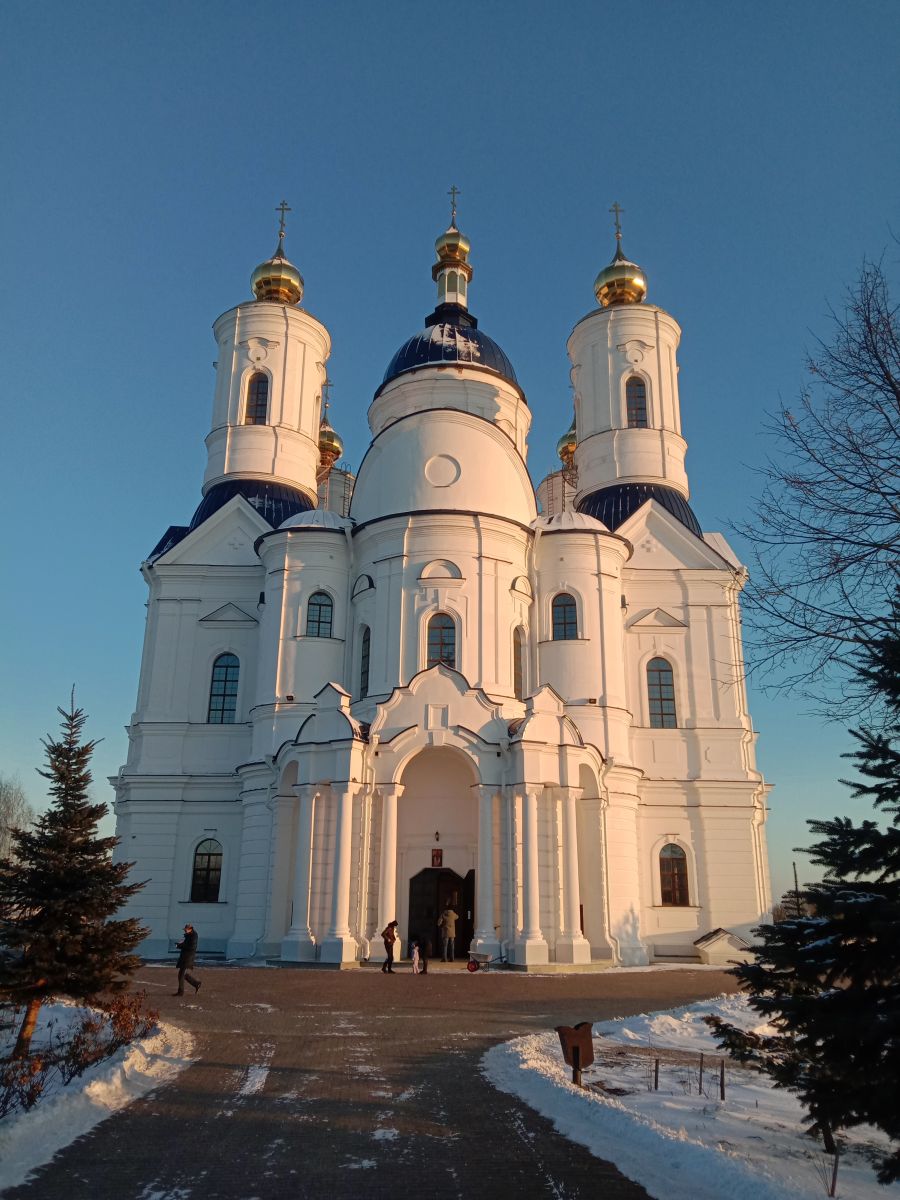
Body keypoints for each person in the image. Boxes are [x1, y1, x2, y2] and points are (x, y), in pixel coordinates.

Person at [173, 923, 201, 996]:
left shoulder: (193, 936)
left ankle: (180, 992)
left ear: (190, 929)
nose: (185, 931)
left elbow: (191, 947)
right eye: (185, 929)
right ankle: (196, 983)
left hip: (188, 958)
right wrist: (179, 944)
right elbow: (186, 944)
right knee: (182, 974)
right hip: (186, 957)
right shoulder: (190, 935)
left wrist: (179, 945)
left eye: (186, 929)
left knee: (181, 975)